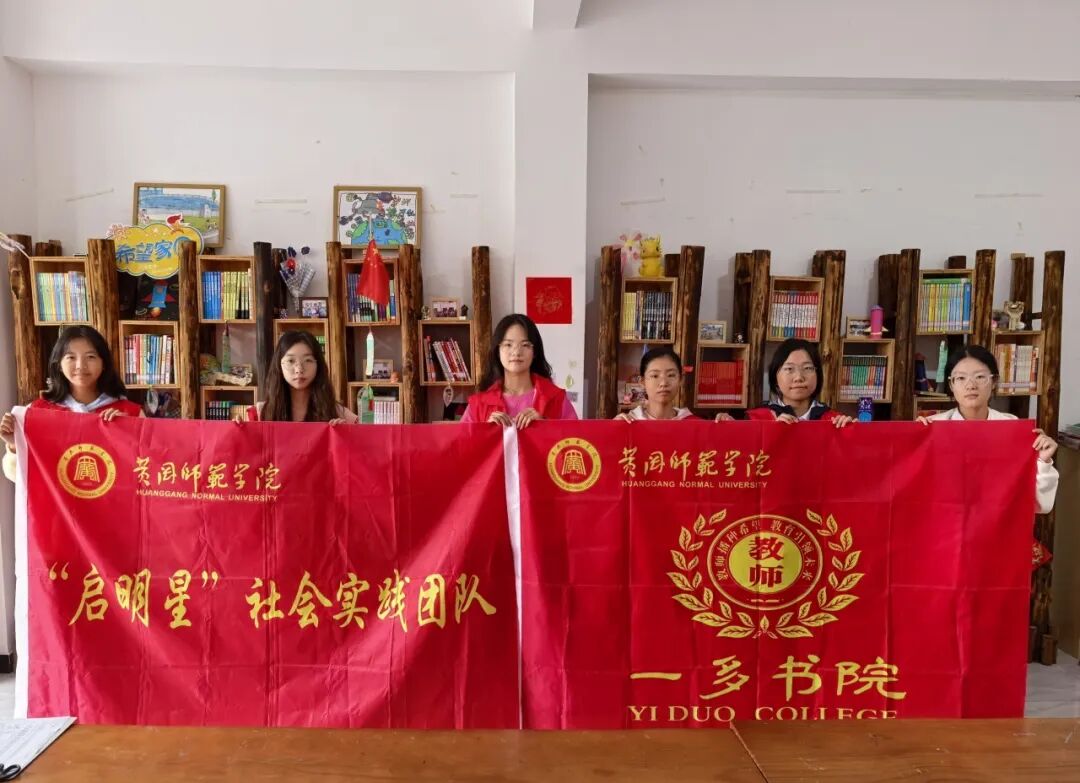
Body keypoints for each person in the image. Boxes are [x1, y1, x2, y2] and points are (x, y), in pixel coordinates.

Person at [919, 344, 1058, 513]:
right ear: (951, 384)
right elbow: (915, 495)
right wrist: (915, 440)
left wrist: (1042, 461)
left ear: (994, 382)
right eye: (961, 378)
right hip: (945, 524)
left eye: (979, 377)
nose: (971, 385)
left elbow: (1039, 505)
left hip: (997, 525)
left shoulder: (1011, 428)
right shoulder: (933, 426)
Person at [1, 325, 143, 481]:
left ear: (104, 364)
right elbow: (17, 477)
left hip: (113, 496)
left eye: (91, 357)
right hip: (57, 498)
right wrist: (15, 445)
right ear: (59, 364)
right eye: (71, 357)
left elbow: (149, 471)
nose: (80, 365)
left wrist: (129, 433)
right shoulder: (37, 412)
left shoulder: (131, 413)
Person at [461, 314, 577, 428]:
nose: (516, 352)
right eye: (508, 345)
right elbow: (461, 439)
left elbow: (577, 437)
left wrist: (544, 427)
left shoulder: (556, 399)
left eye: (525, 345)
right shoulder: (478, 405)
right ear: (498, 351)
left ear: (535, 352)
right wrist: (484, 432)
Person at [246, 331, 356, 423]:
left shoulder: (339, 413)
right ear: (279, 365)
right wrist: (239, 430)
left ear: (318, 365)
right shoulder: (260, 413)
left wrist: (344, 434)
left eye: (308, 360)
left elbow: (362, 439)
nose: (299, 369)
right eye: (291, 361)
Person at [746, 338, 853, 427]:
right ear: (775, 377)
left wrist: (851, 433)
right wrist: (771, 432)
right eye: (789, 369)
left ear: (818, 375)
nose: (798, 377)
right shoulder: (756, 420)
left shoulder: (833, 421)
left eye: (807, 368)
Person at [615, 347, 696, 421]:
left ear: (680, 379)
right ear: (642, 381)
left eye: (671, 375)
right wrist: (614, 428)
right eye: (655, 376)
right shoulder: (629, 422)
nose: (663, 383)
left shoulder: (693, 425)